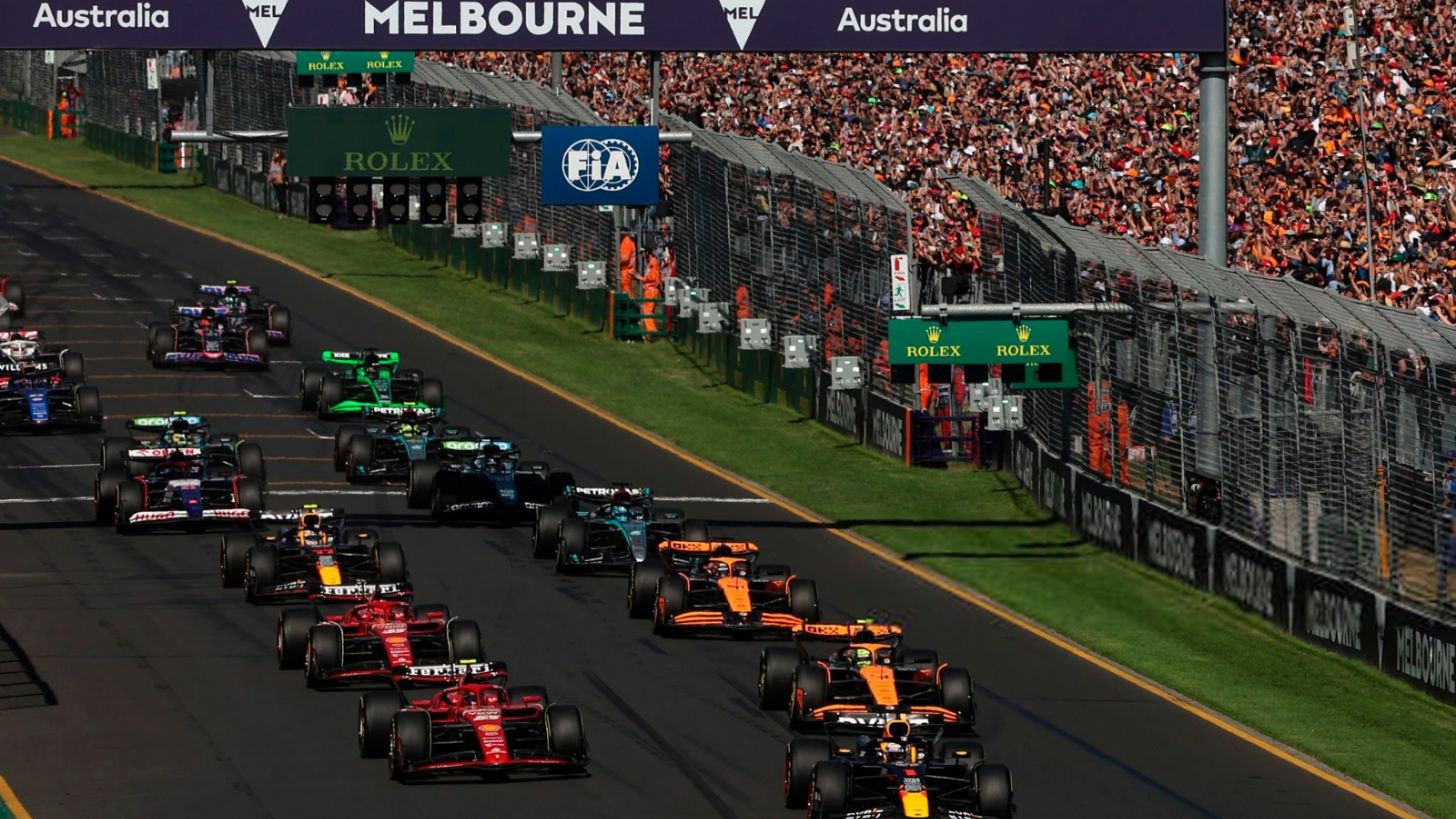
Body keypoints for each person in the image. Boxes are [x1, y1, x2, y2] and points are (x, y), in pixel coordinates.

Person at [268, 152, 287, 219]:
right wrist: (270, 179)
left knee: (281, 198)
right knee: (279, 198)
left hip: (281, 183)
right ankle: (282, 212)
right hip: (274, 183)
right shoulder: (272, 163)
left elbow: (285, 172)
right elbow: (271, 172)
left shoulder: (283, 163)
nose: (276, 158)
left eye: (277, 157)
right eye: (275, 157)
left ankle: (283, 213)